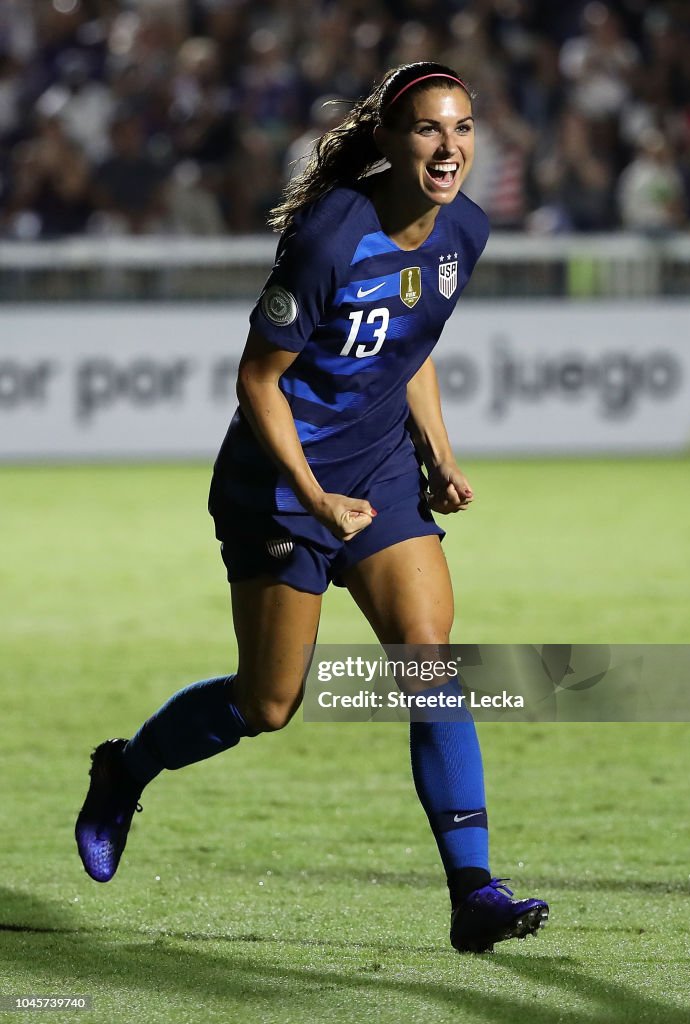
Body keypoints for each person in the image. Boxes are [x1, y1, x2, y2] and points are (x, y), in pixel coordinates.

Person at [75, 61, 549, 955]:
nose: (449, 148)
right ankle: (124, 770)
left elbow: (410, 349)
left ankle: (473, 890)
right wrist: (313, 497)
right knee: (268, 703)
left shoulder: (463, 235)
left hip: (374, 476)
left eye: (462, 128)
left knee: (429, 662)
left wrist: (437, 457)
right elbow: (258, 381)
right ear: (388, 140)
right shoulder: (333, 235)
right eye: (426, 129)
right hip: (279, 485)